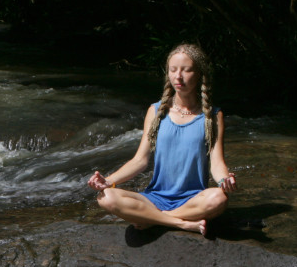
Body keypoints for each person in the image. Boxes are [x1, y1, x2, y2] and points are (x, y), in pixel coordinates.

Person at [87, 43, 237, 235]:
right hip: (154, 197)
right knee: (106, 197)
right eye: (173, 70)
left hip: (192, 199)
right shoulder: (156, 111)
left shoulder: (213, 116)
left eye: (186, 70)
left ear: (199, 74)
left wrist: (225, 180)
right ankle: (179, 223)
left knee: (219, 199)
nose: (178, 77)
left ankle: (154, 219)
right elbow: (140, 160)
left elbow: (217, 164)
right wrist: (108, 181)